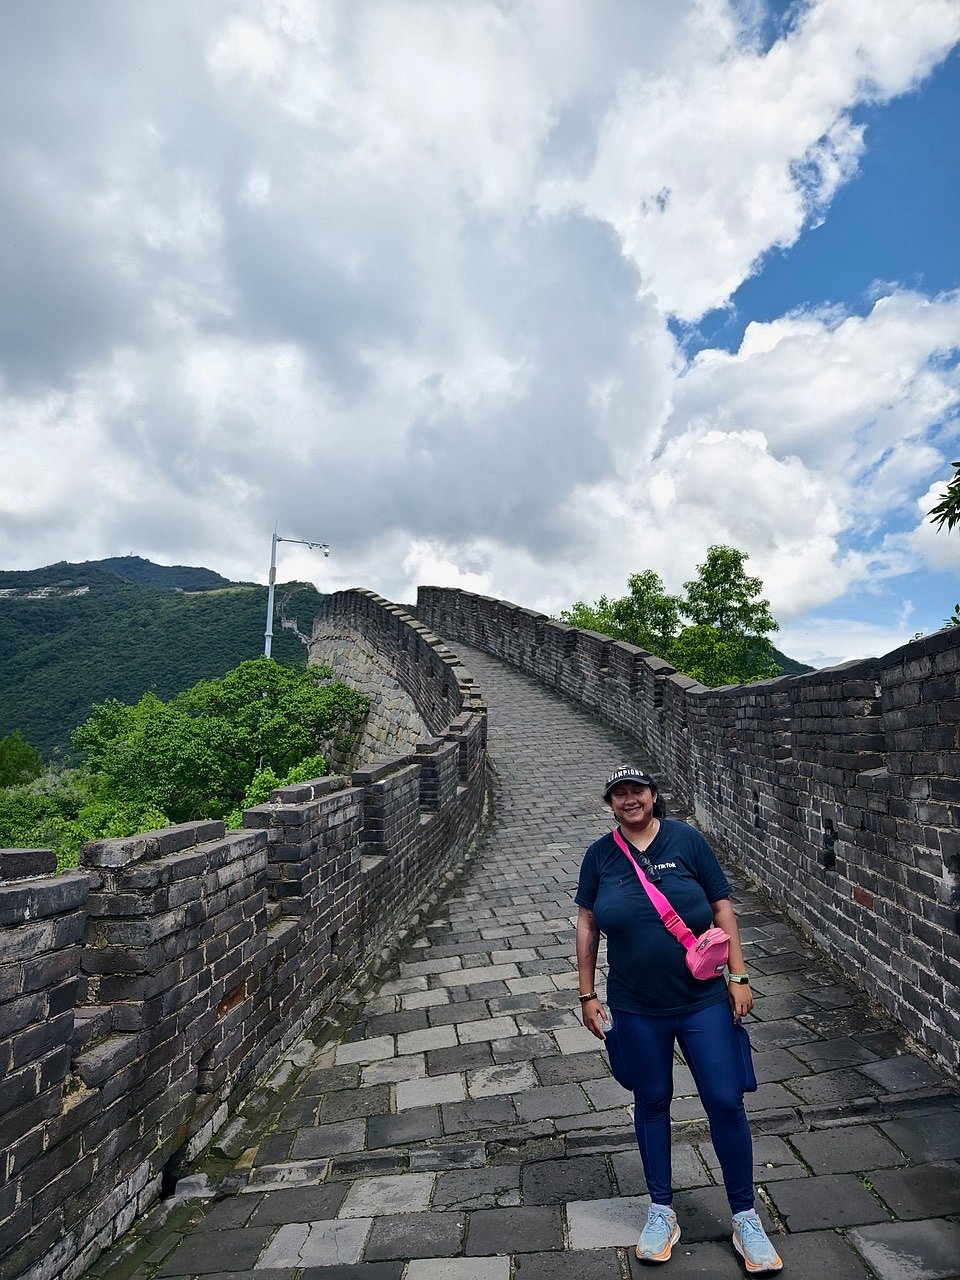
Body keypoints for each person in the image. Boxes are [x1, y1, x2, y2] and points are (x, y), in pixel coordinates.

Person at [575, 766, 783, 1274]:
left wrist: (739, 975)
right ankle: (661, 1211)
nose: (630, 800)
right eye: (619, 794)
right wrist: (586, 993)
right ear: (610, 803)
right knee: (651, 1102)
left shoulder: (686, 840)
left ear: (652, 796)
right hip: (635, 1005)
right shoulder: (600, 856)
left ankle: (745, 1216)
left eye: (637, 791)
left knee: (725, 1099)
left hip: (702, 1001)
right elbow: (587, 924)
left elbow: (722, 908)